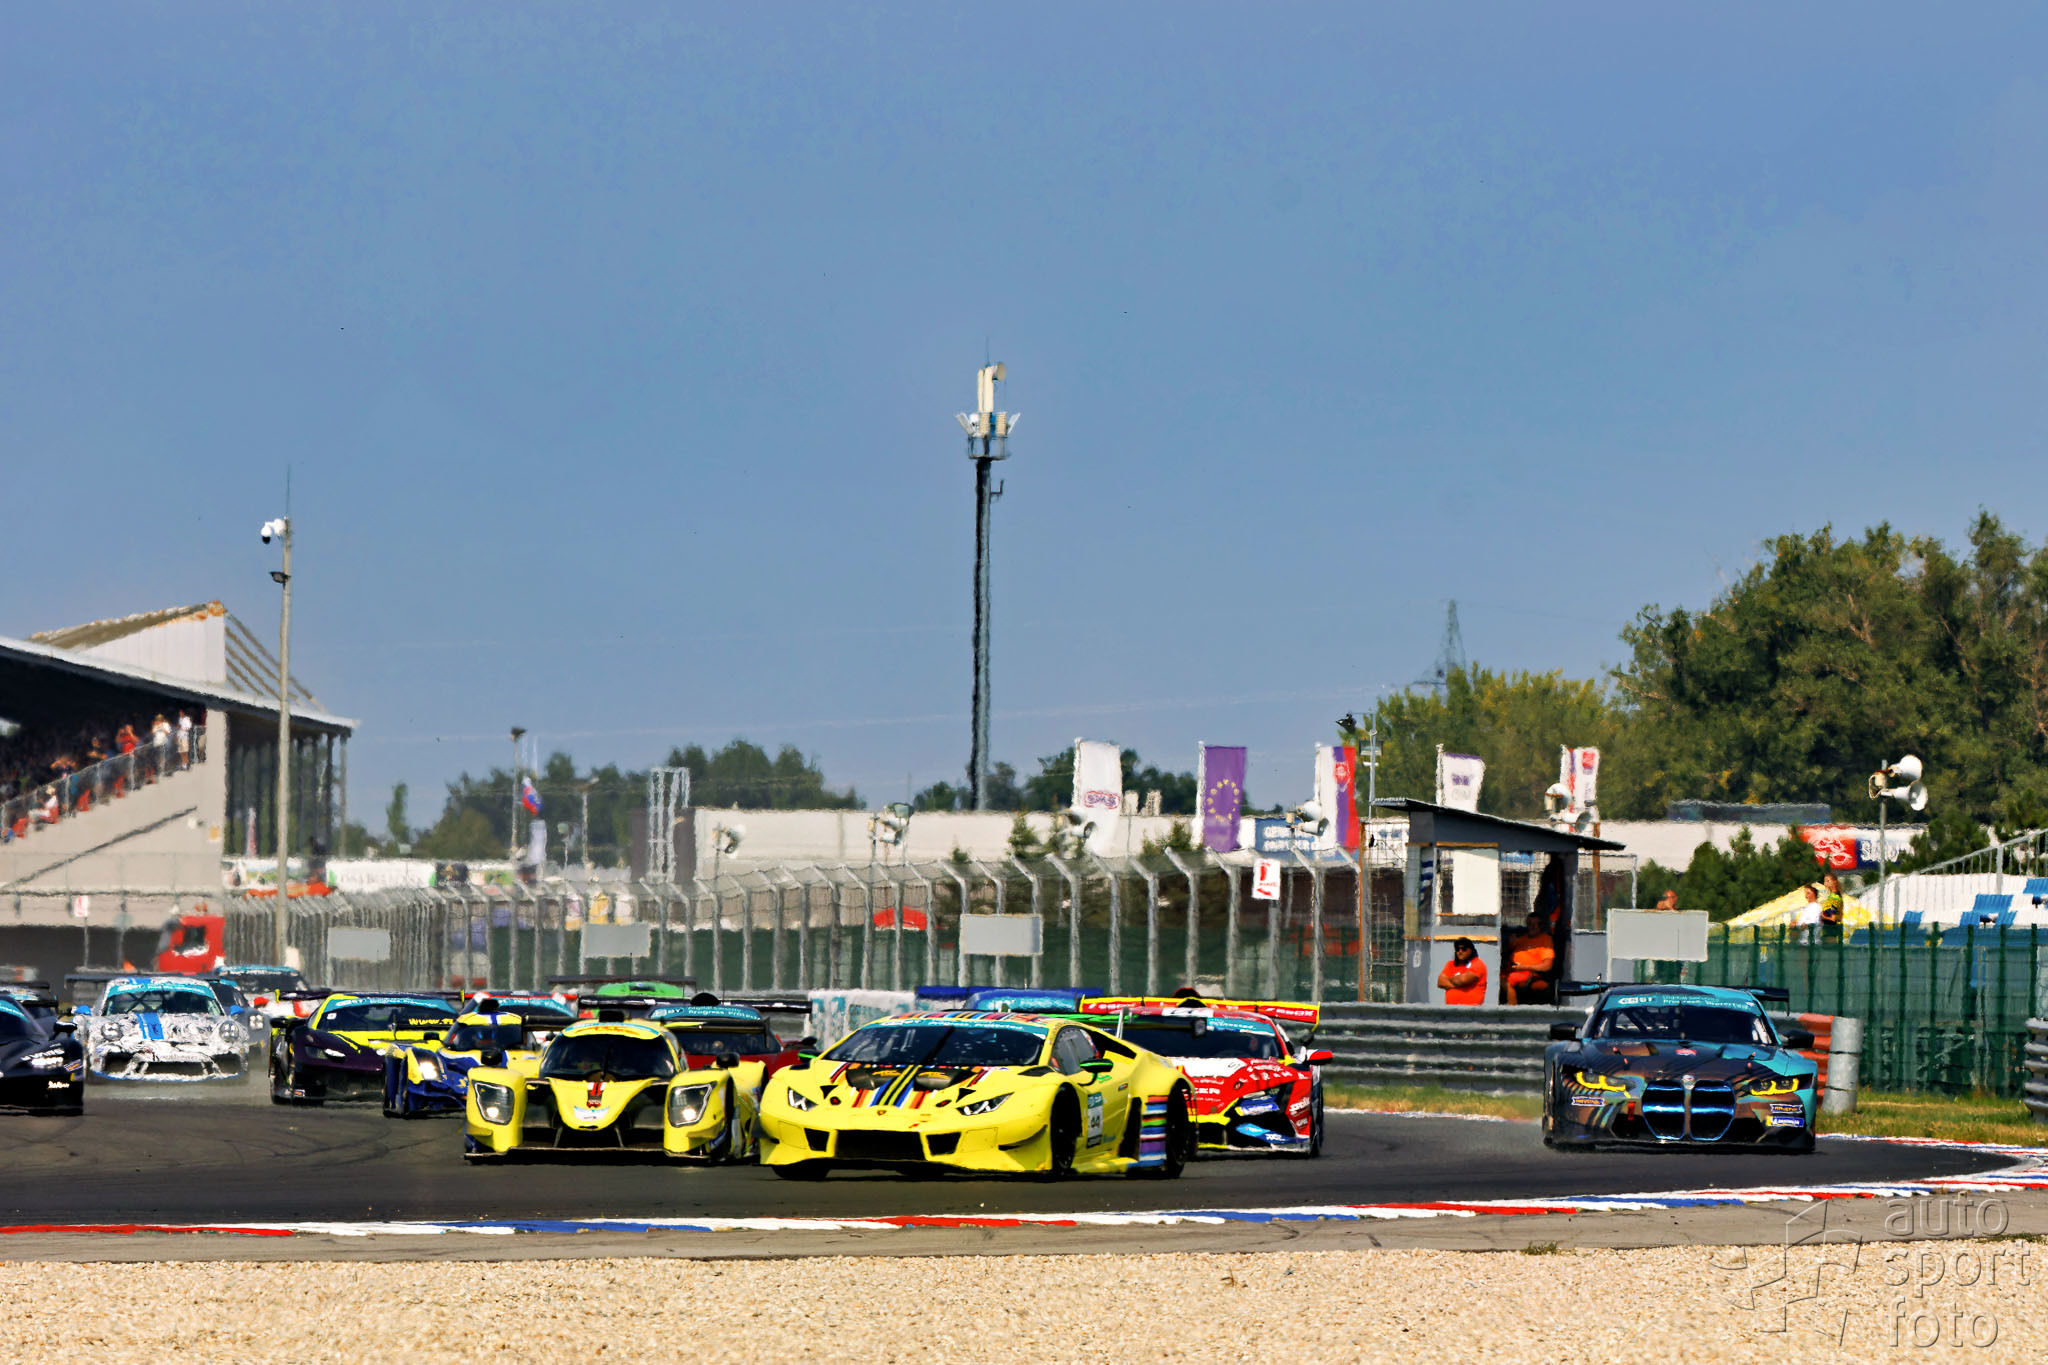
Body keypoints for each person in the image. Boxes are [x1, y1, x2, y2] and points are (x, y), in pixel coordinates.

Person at [1503, 911, 1556, 1006]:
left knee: (1505, 981)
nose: (1532, 927)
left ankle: (1512, 1008)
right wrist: (1510, 945)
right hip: (1510, 970)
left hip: (1530, 974)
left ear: (1541, 926)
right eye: (1529, 924)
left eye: (1536, 924)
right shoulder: (1522, 939)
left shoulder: (1545, 940)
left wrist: (1522, 967)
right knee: (1494, 977)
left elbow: (1547, 966)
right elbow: (1508, 953)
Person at [1436, 937, 1488, 1006]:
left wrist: (1449, 979)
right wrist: (1461, 984)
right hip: (1451, 1009)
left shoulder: (1478, 963)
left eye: (1463, 949)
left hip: (1472, 1010)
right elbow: (1440, 982)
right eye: (1457, 949)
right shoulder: (1450, 964)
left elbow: (1463, 980)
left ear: (1470, 950)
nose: (1460, 951)